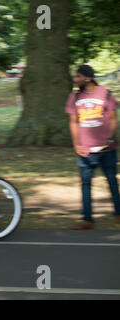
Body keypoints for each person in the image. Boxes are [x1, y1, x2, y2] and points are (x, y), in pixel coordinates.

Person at [66, 64, 120, 230]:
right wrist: (76, 144)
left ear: (87, 78)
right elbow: (73, 123)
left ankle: (118, 214)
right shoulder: (74, 97)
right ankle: (87, 219)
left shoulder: (106, 93)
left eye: (78, 77)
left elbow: (113, 119)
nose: (76, 80)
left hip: (107, 149)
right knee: (85, 183)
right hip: (86, 150)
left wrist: (109, 138)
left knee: (112, 181)